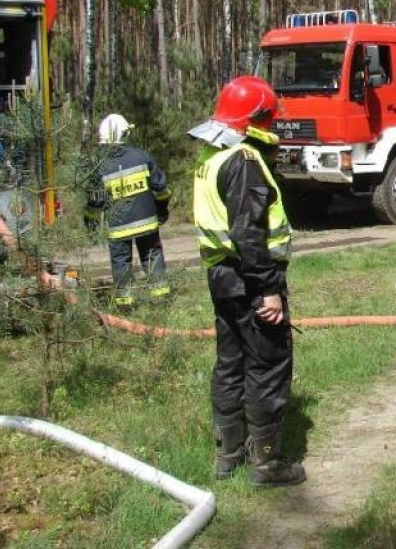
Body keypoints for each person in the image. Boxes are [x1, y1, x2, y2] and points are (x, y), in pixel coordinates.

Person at [189, 76, 305, 487]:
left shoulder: (211, 154)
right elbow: (249, 233)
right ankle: (268, 464)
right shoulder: (242, 161)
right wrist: (268, 289)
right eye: (269, 119)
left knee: (230, 363)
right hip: (250, 278)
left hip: (222, 277)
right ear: (256, 117)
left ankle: (228, 455)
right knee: (267, 365)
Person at [85, 114, 171, 307]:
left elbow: (94, 202)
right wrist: (162, 211)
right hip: (147, 221)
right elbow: (161, 188)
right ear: (124, 134)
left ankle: (125, 303)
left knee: (120, 262)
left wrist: (90, 224)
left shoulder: (99, 166)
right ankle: (160, 298)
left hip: (118, 228)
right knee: (152, 255)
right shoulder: (141, 155)